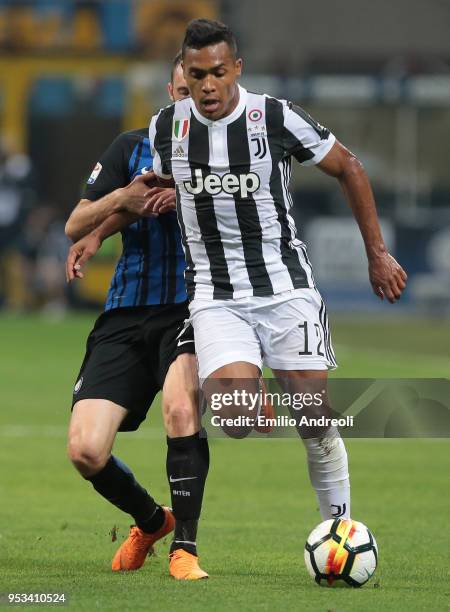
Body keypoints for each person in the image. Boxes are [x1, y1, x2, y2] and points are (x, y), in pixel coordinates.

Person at [148, 19, 407, 533]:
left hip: (285, 287)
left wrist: (377, 254)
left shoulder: (274, 117)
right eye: (196, 74)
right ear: (184, 73)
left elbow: (349, 167)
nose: (207, 85)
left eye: (217, 72)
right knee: (239, 423)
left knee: (313, 420)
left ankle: (340, 530)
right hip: (215, 296)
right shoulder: (165, 127)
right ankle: (255, 385)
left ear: (237, 69)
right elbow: (157, 183)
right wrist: (95, 230)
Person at [65, 53, 209, 580]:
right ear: (170, 93)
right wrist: (115, 207)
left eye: (199, 90)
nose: (190, 100)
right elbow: (75, 221)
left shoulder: (228, 152)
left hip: (194, 306)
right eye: (180, 91)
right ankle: (151, 521)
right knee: (85, 450)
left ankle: (185, 550)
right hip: (126, 313)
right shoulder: (132, 146)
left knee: (180, 408)